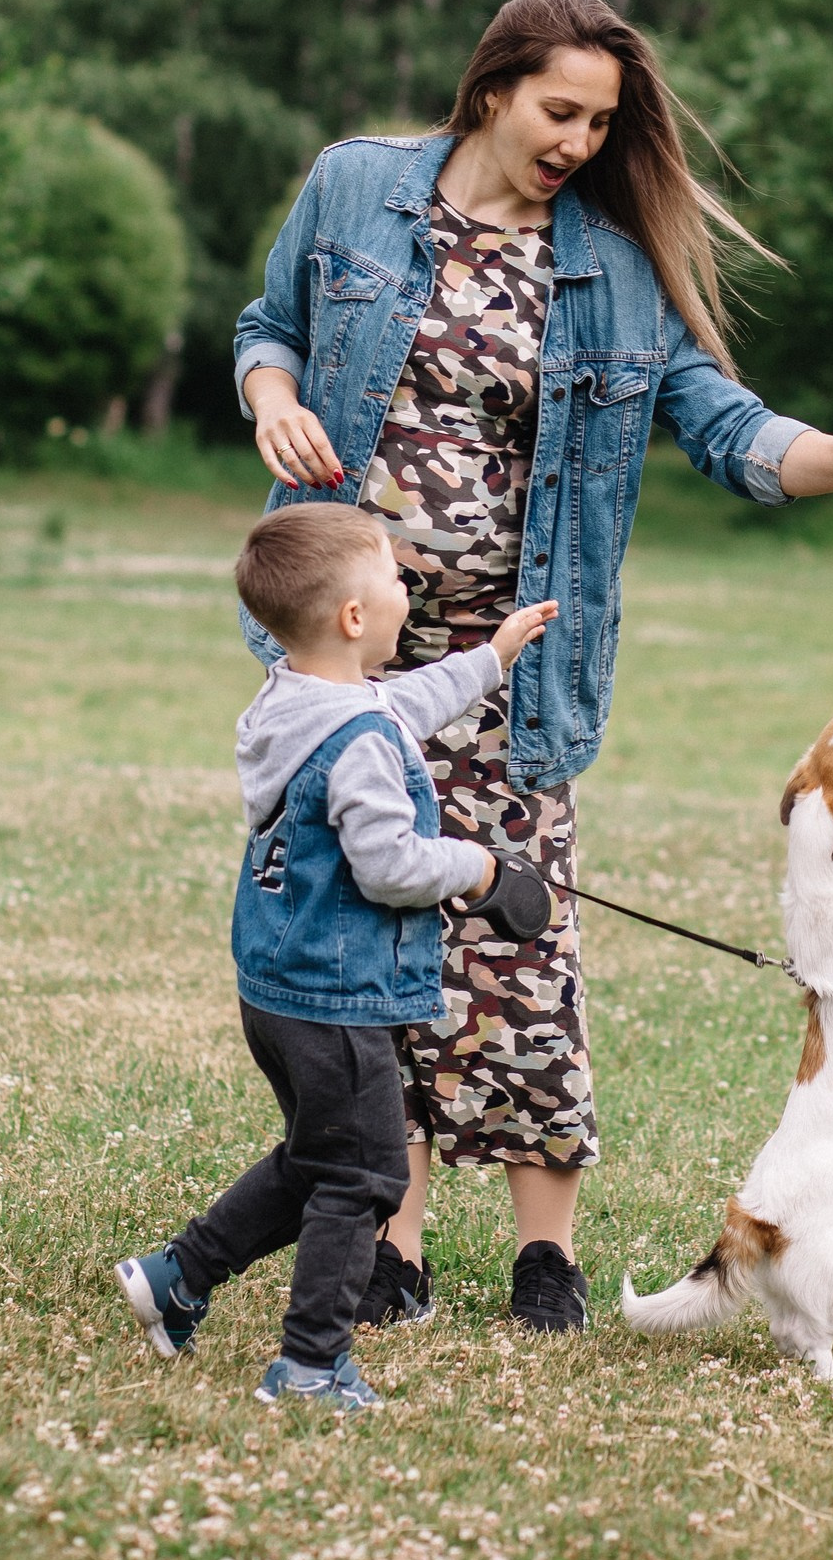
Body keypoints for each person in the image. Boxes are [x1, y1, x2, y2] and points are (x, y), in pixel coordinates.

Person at [234, 0, 833, 1335]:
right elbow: (264, 327)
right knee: (371, 947)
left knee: (521, 944)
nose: (579, 141)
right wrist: (276, 397)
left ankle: (544, 1257)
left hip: (519, 665)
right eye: (558, 110)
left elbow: (730, 430)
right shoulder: (355, 191)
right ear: (489, 91)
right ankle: (393, 1245)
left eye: (601, 121)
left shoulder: (610, 267)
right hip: (353, 664)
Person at [113, 501, 558, 1413]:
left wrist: (493, 655)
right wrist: (479, 870)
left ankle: (177, 1278)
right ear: (356, 618)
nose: (409, 587)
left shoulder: (299, 698)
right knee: (363, 1176)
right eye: (396, 577)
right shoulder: (356, 740)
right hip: (335, 996)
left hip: (276, 989)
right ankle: (312, 1364)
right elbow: (390, 865)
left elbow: (408, 700)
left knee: (318, 1156)